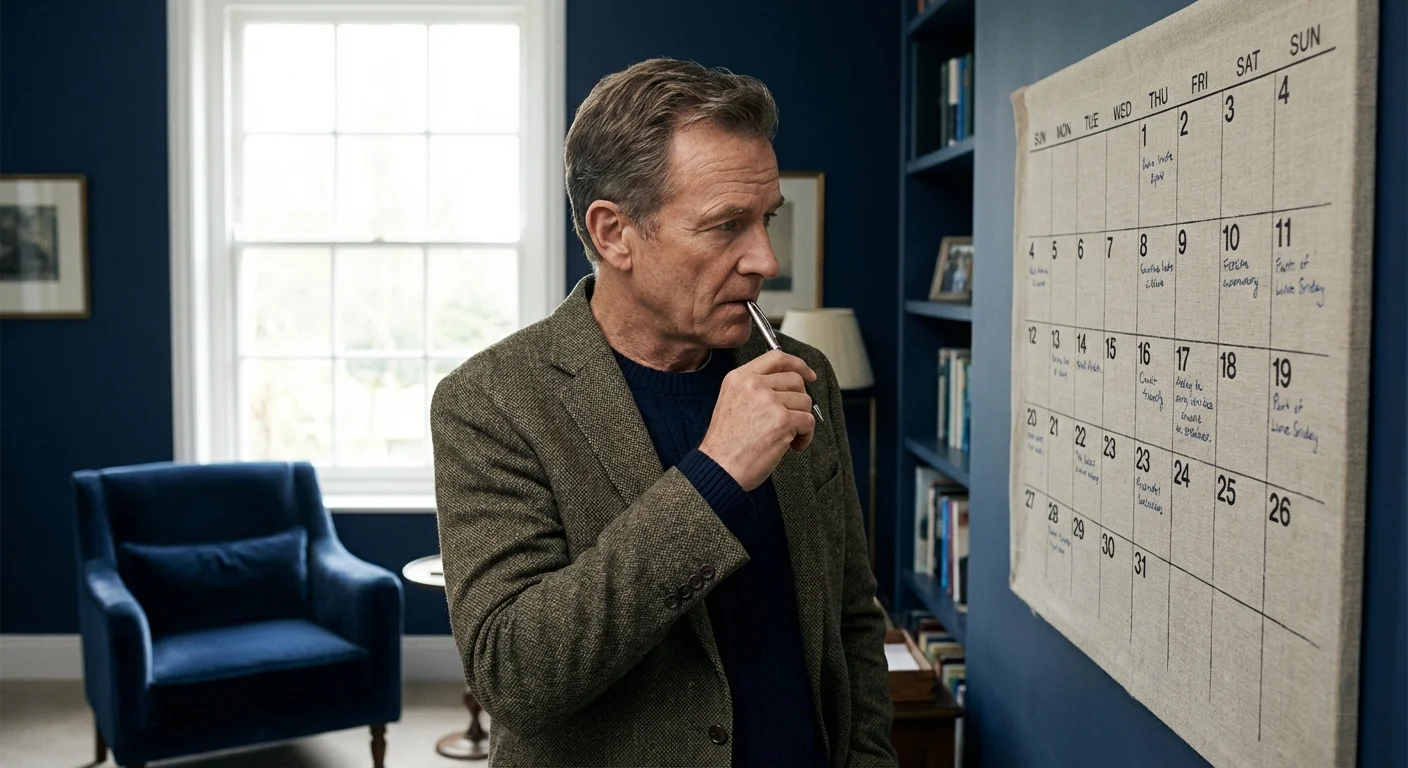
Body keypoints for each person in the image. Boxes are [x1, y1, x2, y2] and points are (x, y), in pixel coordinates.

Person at [430, 57, 897, 767]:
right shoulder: (492, 403)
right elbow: (514, 673)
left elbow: (851, 620)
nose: (766, 259)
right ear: (614, 233)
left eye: (766, 220)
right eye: (725, 226)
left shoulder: (806, 374)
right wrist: (715, 475)